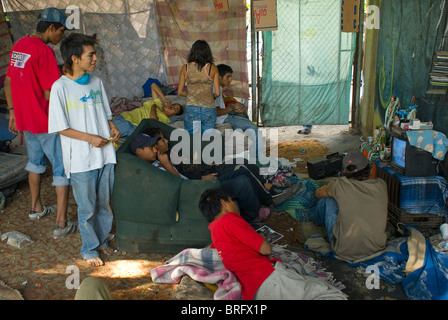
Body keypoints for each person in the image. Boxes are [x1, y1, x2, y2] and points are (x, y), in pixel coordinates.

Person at [48, 33, 120, 267]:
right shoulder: (60, 88)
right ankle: (89, 248)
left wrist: (112, 126)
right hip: (80, 159)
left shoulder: (96, 82)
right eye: (91, 55)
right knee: (87, 207)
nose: (95, 59)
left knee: (104, 203)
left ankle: (102, 240)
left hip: (105, 153)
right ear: (75, 58)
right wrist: (90, 138)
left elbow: (105, 112)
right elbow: (59, 127)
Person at [198, 188, 348, 300]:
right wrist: (260, 238)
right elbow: (265, 249)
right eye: (232, 200)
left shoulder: (214, 231)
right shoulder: (230, 219)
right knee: (331, 294)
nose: (235, 204)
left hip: (255, 292)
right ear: (224, 203)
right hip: (268, 278)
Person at [4, 7, 76, 239]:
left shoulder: (19, 46)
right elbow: (50, 94)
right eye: (61, 31)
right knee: (61, 169)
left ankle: (36, 209)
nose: (61, 37)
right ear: (51, 27)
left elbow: (8, 82)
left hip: (26, 120)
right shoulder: (44, 52)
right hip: (47, 121)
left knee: (34, 164)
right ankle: (61, 223)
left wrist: (13, 112)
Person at [131, 129, 300, 222]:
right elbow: (178, 187)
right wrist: (168, 165)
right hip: (197, 191)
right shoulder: (149, 171)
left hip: (198, 183)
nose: (154, 149)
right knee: (241, 181)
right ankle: (251, 217)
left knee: (242, 168)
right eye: (150, 147)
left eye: (154, 146)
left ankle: (269, 197)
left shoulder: (156, 161)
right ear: (139, 151)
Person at [307, 151, 388, 262]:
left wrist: (325, 189)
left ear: (345, 171)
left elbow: (318, 193)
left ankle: (310, 215)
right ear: (369, 168)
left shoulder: (340, 184)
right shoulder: (381, 184)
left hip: (344, 251)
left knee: (327, 200)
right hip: (376, 249)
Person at [215, 64, 264, 159]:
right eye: (227, 77)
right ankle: (258, 157)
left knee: (243, 115)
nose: (230, 80)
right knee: (253, 128)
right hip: (222, 120)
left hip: (224, 116)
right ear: (219, 77)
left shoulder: (218, 89)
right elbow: (217, 112)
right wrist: (232, 108)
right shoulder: (216, 89)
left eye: (230, 77)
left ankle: (255, 155)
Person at [178, 40, 220, 135]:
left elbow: (180, 92)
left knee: (191, 138)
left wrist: (192, 95)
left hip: (192, 108)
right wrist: (211, 96)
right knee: (207, 139)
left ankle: (192, 150)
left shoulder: (185, 68)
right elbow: (217, 93)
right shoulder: (212, 68)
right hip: (209, 108)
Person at [112, 83, 183, 137]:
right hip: (125, 119)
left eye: (175, 109)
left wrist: (153, 106)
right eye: (173, 105)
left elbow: (152, 118)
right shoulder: (159, 104)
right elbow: (153, 85)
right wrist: (163, 99)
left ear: (174, 115)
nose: (173, 107)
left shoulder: (165, 119)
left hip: (134, 128)